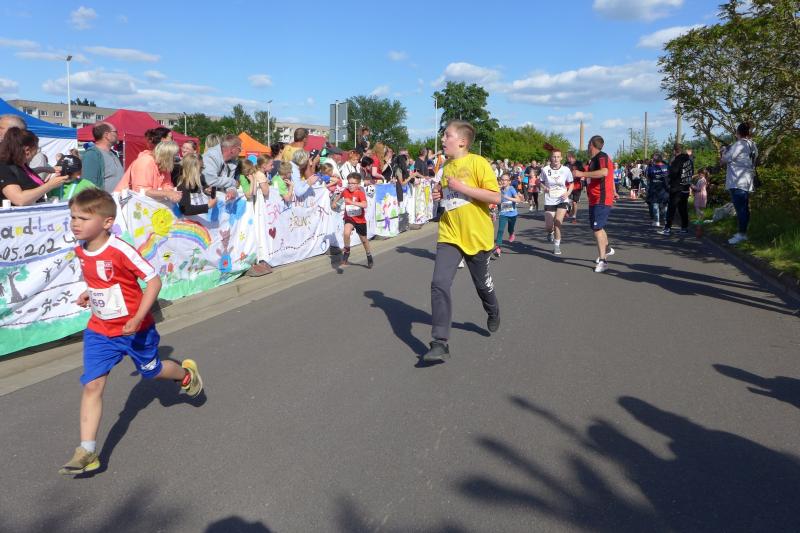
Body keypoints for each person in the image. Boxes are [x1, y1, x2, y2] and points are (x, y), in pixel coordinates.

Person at [59, 188, 203, 475]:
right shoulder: (81, 249)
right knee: (92, 385)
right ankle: (87, 450)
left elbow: (153, 281)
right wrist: (90, 292)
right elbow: (104, 281)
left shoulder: (121, 250)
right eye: (73, 217)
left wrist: (138, 317)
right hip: (100, 331)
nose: (75, 223)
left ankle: (186, 375)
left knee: (153, 371)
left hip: (135, 331)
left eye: (83, 218)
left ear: (107, 222)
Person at [424, 120, 501, 364]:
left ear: (462, 142)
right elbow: (447, 196)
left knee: (482, 286)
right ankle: (439, 342)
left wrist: (462, 187)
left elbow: (496, 197)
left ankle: (493, 309)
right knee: (439, 283)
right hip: (450, 234)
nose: (443, 139)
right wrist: (440, 193)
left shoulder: (478, 163)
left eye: (447, 135)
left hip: (477, 235)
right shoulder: (446, 167)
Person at [572, 135, 616, 273]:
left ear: (592, 144)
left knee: (597, 228)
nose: (587, 147)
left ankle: (603, 261)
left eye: (588, 144)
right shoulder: (592, 160)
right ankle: (607, 249)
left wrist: (582, 173)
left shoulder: (602, 157)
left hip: (601, 198)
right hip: (594, 198)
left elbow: (604, 172)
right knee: (598, 227)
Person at [0, 127, 68, 205]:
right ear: (27, 150)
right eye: (37, 149)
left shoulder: (20, 165)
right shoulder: (3, 167)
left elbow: (21, 176)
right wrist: (50, 185)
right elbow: (19, 199)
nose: (36, 153)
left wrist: (45, 169)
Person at [115, 136, 182, 203]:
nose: (176, 158)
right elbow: (141, 190)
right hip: (125, 201)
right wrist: (166, 193)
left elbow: (166, 184)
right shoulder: (145, 162)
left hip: (145, 203)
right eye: (174, 156)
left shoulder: (164, 165)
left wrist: (172, 193)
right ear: (166, 156)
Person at [721, 122, 757, 245]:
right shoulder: (752, 145)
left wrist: (723, 151)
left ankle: (742, 234)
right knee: (744, 208)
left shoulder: (739, 144)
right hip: (747, 180)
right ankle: (743, 232)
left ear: (738, 133)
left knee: (740, 209)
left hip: (736, 181)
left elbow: (724, 160)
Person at [540, 149, 574, 255]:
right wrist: (545, 188)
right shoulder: (545, 169)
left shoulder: (566, 170)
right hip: (550, 199)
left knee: (558, 222)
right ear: (551, 157)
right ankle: (550, 232)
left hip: (562, 199)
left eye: (558, 157)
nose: (556, 159)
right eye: (554, 157)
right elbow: (540, 182)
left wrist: (567, 193)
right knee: (549, 226)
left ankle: (556, 246)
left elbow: (571, 183)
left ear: (561, 158)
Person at [340, 172, 373, 268]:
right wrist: (334, 202)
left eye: (353, 183)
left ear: (358, 184)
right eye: (349, 183)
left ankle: (368, 254)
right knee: (346, 233)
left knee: (364, 240)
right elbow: (340, 195)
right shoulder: (346, 191)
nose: (350, 185)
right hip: (349, 217)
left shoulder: (360, 193)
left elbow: (364, 205)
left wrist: (351, 202)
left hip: (360, 220)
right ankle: (347, 251)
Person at [660, 144, 694, 236]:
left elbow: (673, 172)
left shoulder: (677, 160)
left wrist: (669, 177)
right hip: (685, 187)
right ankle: (684, 228)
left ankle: (667, 228)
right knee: (683, 209)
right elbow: (691, 172)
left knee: (671, 208)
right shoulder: (689, 160)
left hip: (676, 188)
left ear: (674, 151)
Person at [81, 122, 124, 192]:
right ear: (106, 135)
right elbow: (88, 187)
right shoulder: (92, 155)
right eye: (115, 132)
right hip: (104, 198)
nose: (117, 135)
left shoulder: (113, 154)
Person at [494, 172, 525, 257]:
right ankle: (498, 247)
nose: (503, 181)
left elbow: (518, 200)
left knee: (510, 228)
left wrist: (507, 197)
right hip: (503, 213)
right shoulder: (499, 190)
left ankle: (511, 233)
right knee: (500, 230)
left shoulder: (511, 189)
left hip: (512, 214)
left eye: (506, 180)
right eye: (502, 180)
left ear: (509, 181)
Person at [202, 134, 242, 202]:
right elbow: (211, 181)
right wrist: (233, 182)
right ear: (233, 150)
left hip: (218, 200)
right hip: (202, 201)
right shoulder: (210, 157)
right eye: (240, 149)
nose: (240, 152)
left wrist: (232, 190)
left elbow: (229, 182)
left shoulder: (233, 161)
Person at [646, 153, 669, 227]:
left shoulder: (651, 168)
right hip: (665, 189)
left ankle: (657, 221)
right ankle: (666, 220)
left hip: (654, 189)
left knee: (655, 204)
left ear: (654, 160)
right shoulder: (667, 167)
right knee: (665, 205)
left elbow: (648, 178)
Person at [565, 152, 583, 222]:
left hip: (577, 185)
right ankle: (568, 209)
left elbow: (583, 173)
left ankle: (574, 217)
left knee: (574, 203)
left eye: (568, 158)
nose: (567, 159)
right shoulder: (566, 164)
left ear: (571, 157)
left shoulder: (579, 163)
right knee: (566, 199)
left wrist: (581, 177)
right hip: (568, 185)